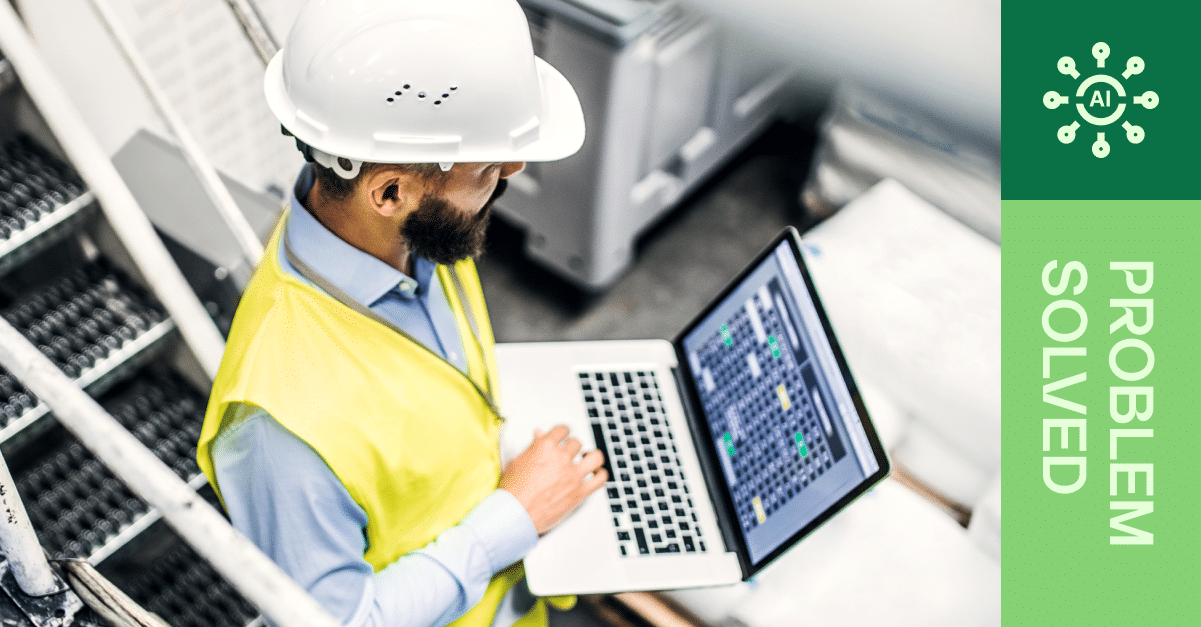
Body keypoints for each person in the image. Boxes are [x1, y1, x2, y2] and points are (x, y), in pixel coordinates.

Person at [195, 1, 602, 626]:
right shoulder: (279, 429)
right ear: (388, 192)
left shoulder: (415, 236)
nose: (513, 171)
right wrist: (514, 518)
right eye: (488, 166)